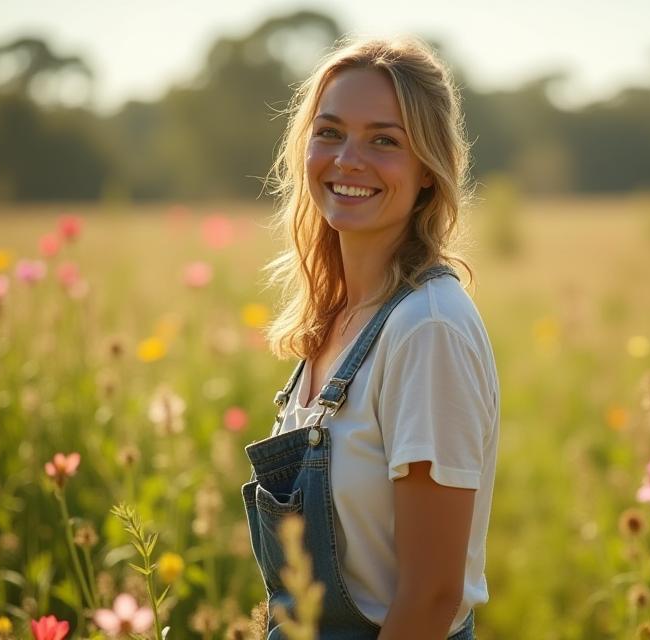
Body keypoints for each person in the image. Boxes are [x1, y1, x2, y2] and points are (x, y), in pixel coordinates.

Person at [243, 36, 499, 640]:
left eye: (384, 140)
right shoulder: (335, 318)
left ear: (428, 172)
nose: (348, 160)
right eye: (329, 132)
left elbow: (431, 597)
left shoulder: (426, 329)